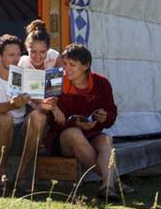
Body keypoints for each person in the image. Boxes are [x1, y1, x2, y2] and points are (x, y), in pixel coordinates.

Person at [46, 44, 131, 200]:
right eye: (65, 64)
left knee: (106, 140)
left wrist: (104, 117)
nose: (66, 69)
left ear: (86, 66)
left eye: (72, 65)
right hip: (62, 138)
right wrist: (75, 124)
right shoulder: (54, 79)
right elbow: (51, 121)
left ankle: (107, 187)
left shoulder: (102, 83)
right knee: (75, 134)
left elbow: (111, 114)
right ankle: (115, 180)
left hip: (92, 133)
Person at [0, 34, 55, 192]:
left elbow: (39, 104)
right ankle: (2, 175)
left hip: (18, 136)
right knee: (5, 118)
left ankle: (21, 176)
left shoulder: (25, 76)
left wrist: (46, 105)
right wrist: (11, 105)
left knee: (38, 117)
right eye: (11, 55)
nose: (17, 58)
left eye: (18, 54)